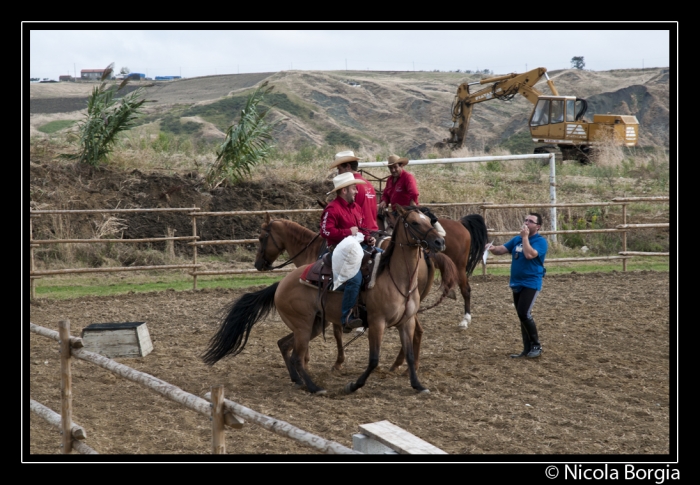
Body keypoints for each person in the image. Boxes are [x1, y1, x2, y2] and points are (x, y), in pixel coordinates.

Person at [320, 172, 378, 332]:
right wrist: (347, 232)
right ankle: (346, 317)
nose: (357, 191)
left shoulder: (356, 208)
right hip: (340, 251)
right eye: (354, 188)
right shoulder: (332, 209)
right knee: (354, 278)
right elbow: (325, 231)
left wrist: (368, 239)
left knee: (381, 255)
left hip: (357, 247)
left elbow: (361, 230)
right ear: (344, 190)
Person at [487, 213, 548, 358]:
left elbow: (529, 255)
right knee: (522, 315)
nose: (526, 223)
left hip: (531, 282)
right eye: (525, 220)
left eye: (530, 221)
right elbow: (502, 249)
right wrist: (492, 248)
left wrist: (525, 238)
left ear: (538, 226)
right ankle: (527, 349)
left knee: (523, 313)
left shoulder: (540, 241)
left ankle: (536, 346)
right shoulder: (517, 239)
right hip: (516, 282)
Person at [377, 155, 445, 236]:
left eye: (395, 167)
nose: (393, 170)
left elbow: (414, 192)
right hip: (396, 211)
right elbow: (386, 194)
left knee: (424, 216)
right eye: (391, 168)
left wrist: (412, 203)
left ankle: (438, 232)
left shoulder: (408, 177)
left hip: (407, 211)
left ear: (401, 165)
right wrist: (384, 200)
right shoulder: (390, 180)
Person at [329, 150, 378, 233]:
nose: (339, 173)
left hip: (360, 234)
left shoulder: (350, 186)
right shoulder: (368, 184)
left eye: (339, 169)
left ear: (348, 166)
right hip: (373, 231)